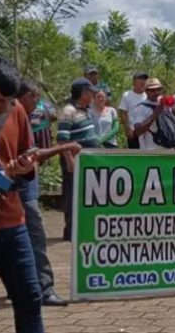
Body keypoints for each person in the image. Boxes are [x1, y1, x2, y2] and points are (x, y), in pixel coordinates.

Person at [0, 56, 43, 332]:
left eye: (9, 101)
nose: (5, 107)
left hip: (13, 223)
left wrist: (27, 166)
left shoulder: (14, 110)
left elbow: (28, 152)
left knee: (30, 299)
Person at [17, 80, 82, 307]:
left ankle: (24, 286)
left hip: (22, 189)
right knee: (36, 238)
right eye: (35, 98)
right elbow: (33, 155)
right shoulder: (16, 116)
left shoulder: (21, 117)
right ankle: (44, 288)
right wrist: (63, 148)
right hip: (22, 191)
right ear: (25, 96)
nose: (37, 102)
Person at [57, 78, 101, 241]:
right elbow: (62, 140)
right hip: (74, 161)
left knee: (84, 195)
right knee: (71, 195)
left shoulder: (84, 110)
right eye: (91, 93)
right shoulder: (68, 111)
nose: (93, 96)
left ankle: (81, 227)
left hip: (87, 162)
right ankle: (70, 230)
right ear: (83, 93)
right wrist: (69, 160)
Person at [131, 78, 175, 151]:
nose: (156, 92)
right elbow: (137, 131)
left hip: (169, 150)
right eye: (152, 90)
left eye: (159, 89)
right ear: (146, 91)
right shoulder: (141, 108)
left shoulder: (165, 105)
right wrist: (155, 114)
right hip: (150, 150)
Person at [118, 71, 148, 149]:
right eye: (140, 78)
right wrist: (128, 129)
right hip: (133, 131)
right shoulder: (127, 95)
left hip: (147, 132)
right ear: (134, 81)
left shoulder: (148, 95)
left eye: (144, 79)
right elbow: (123, 113)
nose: (143, 81)